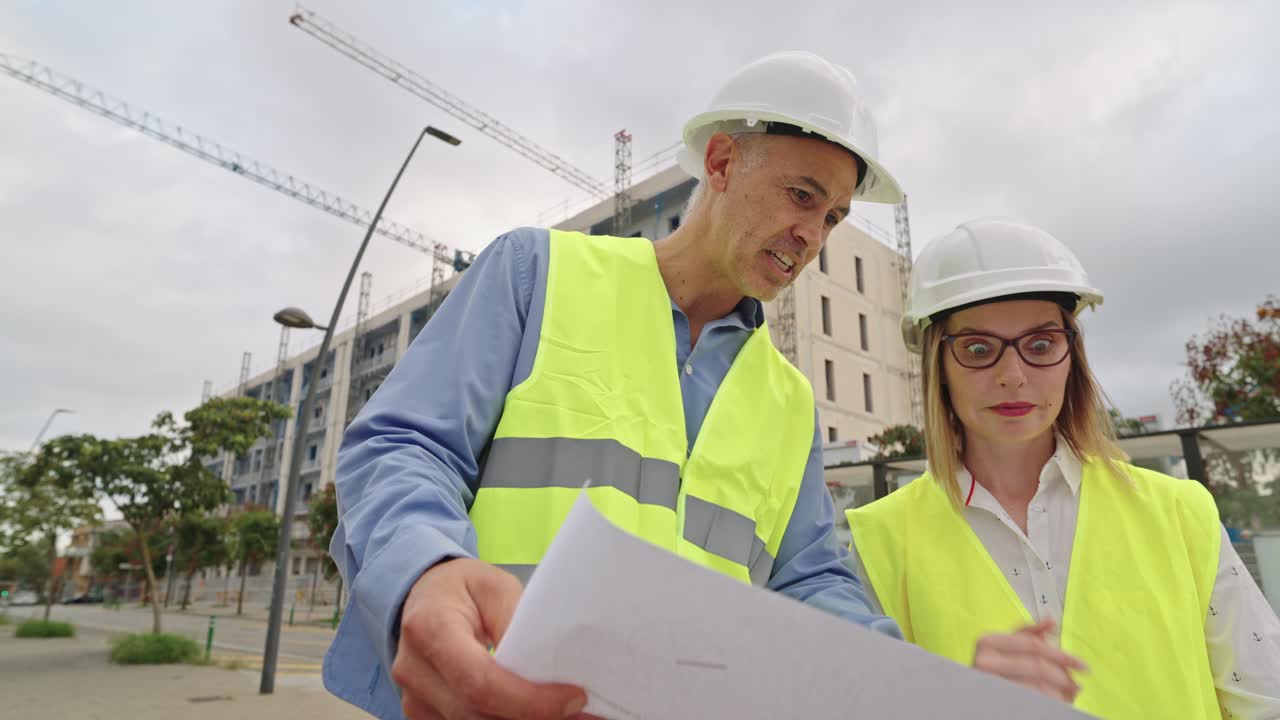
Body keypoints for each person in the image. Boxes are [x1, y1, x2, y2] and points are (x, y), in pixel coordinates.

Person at [322, 51, 909, 720]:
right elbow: (403, 447)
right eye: (802, 195)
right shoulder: (536, 274)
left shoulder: (791, 399)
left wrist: (902, 678)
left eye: (832, 217)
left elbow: (807, 576)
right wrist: (426, 568)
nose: (812, 236)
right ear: (720, 163)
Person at [847, 218, 1280, 718]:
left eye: (1040, 345)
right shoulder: (879, 542)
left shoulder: (1182, 514)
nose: (1013, 376)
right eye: (978, 349)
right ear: (937, 366)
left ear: (1072, 355)